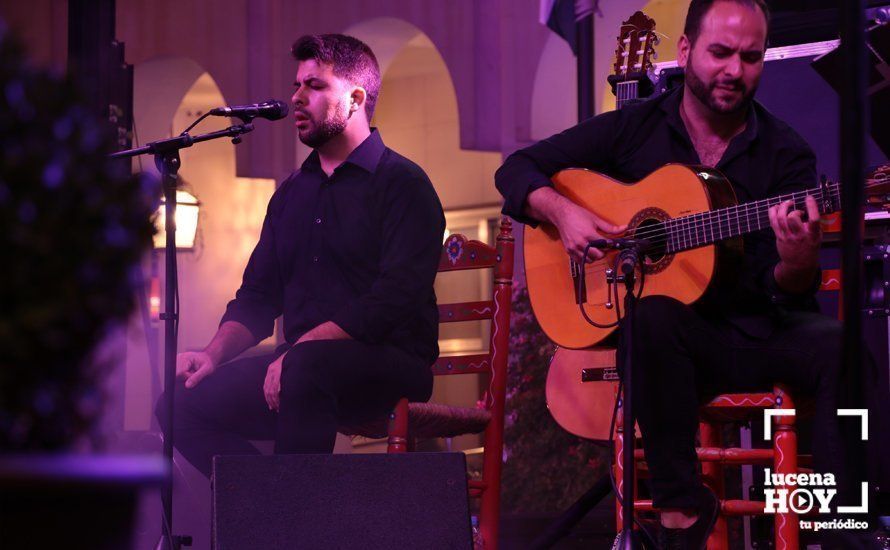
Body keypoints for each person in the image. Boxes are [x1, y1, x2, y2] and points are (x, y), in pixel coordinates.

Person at [495, 1, 882, 548]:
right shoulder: (634, 128)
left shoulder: (784, 152)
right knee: (650, 316)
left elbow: (788, 296)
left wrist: (796, 262)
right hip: (666, 347)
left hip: (751, 332)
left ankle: (850, 527)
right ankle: (681, 513)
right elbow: (515, 169)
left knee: (845, 351)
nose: (734, 70)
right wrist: (564, 212)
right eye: (720, 52)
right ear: (686, 51)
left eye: (751, 57)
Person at [156, 34, 445, 478]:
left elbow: (395, 299)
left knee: (304, 367)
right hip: (301, 369)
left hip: (391, 361)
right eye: (297, 85)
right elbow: (257, 296)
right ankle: (267, 508)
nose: (296, 97)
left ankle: (288, 519)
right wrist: (213, 354)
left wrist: (301, 350)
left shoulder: (403, 183)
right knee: (178, 404)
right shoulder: (291, 193)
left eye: (314, 86)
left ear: (356, 98)